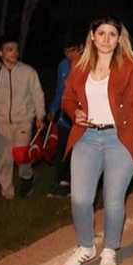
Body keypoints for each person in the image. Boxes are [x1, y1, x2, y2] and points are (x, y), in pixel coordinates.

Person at [58, 18, 133, 265]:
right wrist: (74, 111)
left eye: (112, 34)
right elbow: (67, 98)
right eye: (101, 33)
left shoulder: (130, 69)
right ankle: (86, 247)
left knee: (112, 198)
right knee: (79, 198)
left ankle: (110, 248)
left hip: (120, 139)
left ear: (119, 38)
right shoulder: (79, 65)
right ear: (92, 36)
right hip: (87, 138)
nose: (107, 39)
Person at [0, 34, 46, 199]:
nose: (14, 53)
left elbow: (38, 94)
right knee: (4, 160)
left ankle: (27, 177)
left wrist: (40, 115)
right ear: (0, 53)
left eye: (16, 49)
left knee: (21, 157)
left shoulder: (28, 72)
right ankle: (7, 194)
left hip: (23, 121)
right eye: (9, 49)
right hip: (2, 123)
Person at [46, 40, 83, 198]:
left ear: (81, 48)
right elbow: (60, 90)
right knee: (63, 149)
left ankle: (79, 184)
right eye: (66, 51)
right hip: (65, 116)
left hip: (83, 116)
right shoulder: (63, 65)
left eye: (72, 50)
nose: (69, 55)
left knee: (80, 151)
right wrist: (53, 108)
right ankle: (62, 183)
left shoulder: (88, 63)